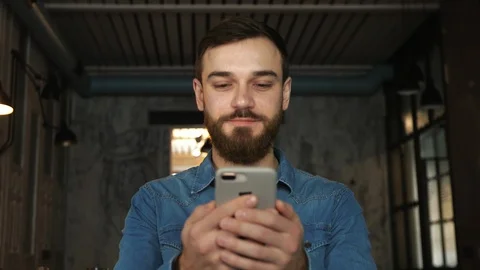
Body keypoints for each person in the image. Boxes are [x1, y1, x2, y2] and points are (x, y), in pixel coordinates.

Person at [114, 16, 376, 270]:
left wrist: (300, 267)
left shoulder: (335, 204)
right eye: (223, 84)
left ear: (284, 94)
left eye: (261, 84)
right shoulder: (154, 202)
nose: (242, 101)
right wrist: (185, 268)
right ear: (200, 95)